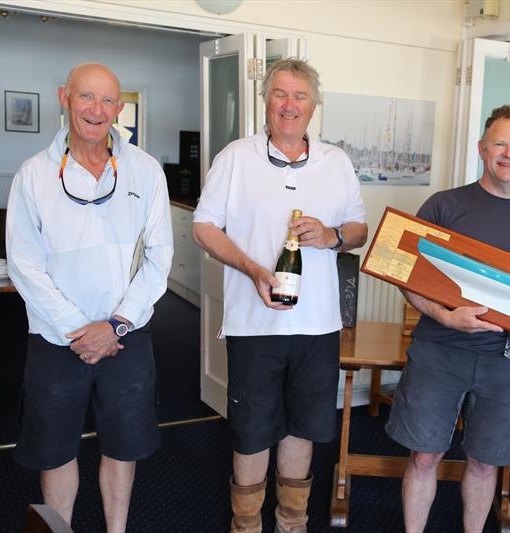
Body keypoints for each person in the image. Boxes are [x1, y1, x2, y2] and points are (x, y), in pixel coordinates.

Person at [191, 58, 367, 533]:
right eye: (280, 94)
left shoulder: (337, 162)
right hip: (255, 323)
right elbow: (203, 227)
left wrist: (331, 234)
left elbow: (359, 228)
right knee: (251, 433)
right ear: (265, 100)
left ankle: (292, 525)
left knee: (303, 427)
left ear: (315, 105)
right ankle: (245, 525)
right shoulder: (235, 157)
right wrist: (251, 268)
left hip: (317, 324)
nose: (289, 105)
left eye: (300, 96)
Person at [6, 63, 173, 532]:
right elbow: (24, 264)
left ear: (120, 109)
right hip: (59, 341)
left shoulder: (145, 170)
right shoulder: (34, 175)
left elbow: (159, 258)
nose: (96, 110)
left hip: (126, 338)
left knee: (123, 447)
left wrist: (115, 325)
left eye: (107, 101)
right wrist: (80, 330)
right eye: (86, 97)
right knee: (54, 449)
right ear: (65, 97)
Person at [385, 105, 510, 533]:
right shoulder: (444, 205)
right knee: (424, 455)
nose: (509, 152)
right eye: (500, 143)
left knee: (486, 463)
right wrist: (442, 315)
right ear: (482, 149)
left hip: (505, 362)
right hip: (439, 352)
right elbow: (400, 270)